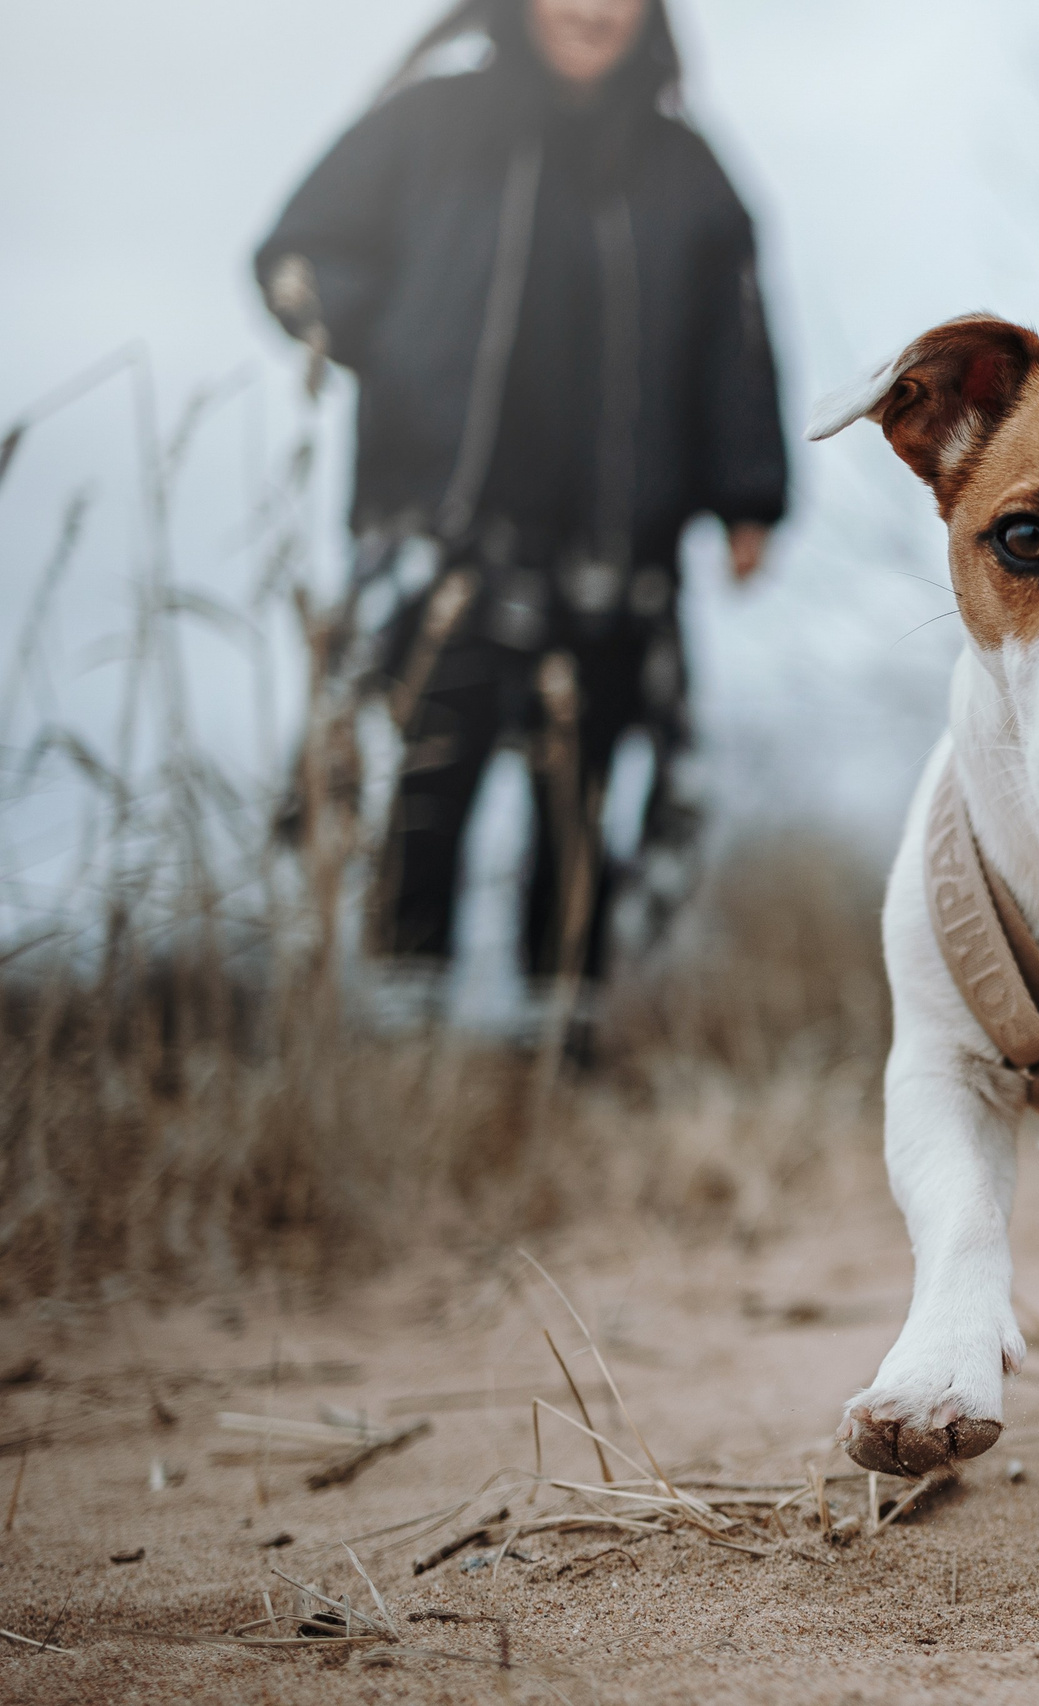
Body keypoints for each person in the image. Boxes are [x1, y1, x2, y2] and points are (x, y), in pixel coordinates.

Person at [255, 0, 785, 1026]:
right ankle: (406, 1026)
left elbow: (737, 334)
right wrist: (387, 341)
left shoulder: (688, 169)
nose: (591, 9)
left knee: (580, 789)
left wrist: (748, 496)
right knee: (431, 769)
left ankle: (563, 1035)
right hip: (448, 525)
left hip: (618, 542)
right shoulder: (430, 124)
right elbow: (296, 251)